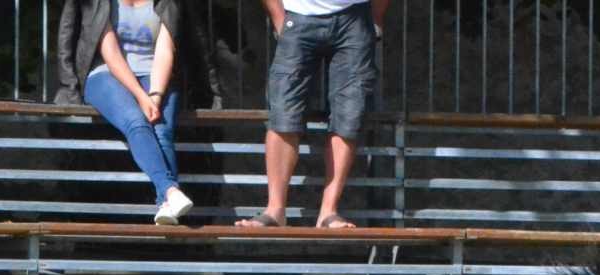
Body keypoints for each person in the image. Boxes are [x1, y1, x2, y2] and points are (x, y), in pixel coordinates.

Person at [55, 0, 211, 225]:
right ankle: (170, 191)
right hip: (107, 72)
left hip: (156, 73)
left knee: (161, 129)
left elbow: (165, 49)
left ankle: (167, 206)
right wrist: (141, 95)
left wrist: (156, 95)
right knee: (136, 121)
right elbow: (110, 52)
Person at [235, 0, 386, 229]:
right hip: (298, 16)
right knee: (283, 112)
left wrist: (372, 20)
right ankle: (275, 210)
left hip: (355, 18)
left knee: (349, 114)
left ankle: (329, 212)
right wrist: (279, 19)